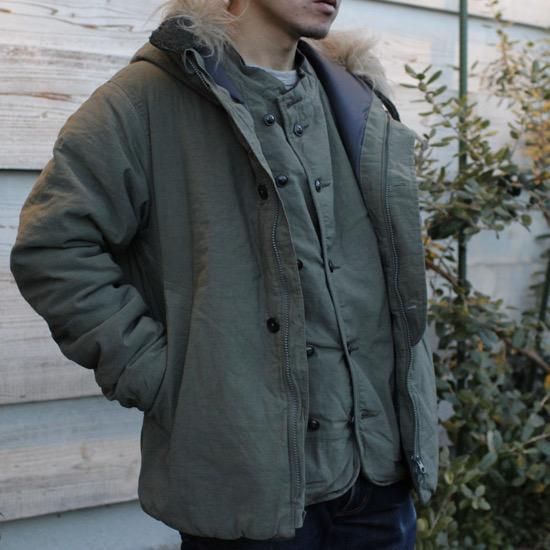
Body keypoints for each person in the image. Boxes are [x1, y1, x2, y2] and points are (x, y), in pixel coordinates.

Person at [10, 0, 439, 548]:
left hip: (380, 482)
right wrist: (166, 380)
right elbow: (54, 247)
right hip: (246, 486)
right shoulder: (145, 100)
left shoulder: (356, 100)